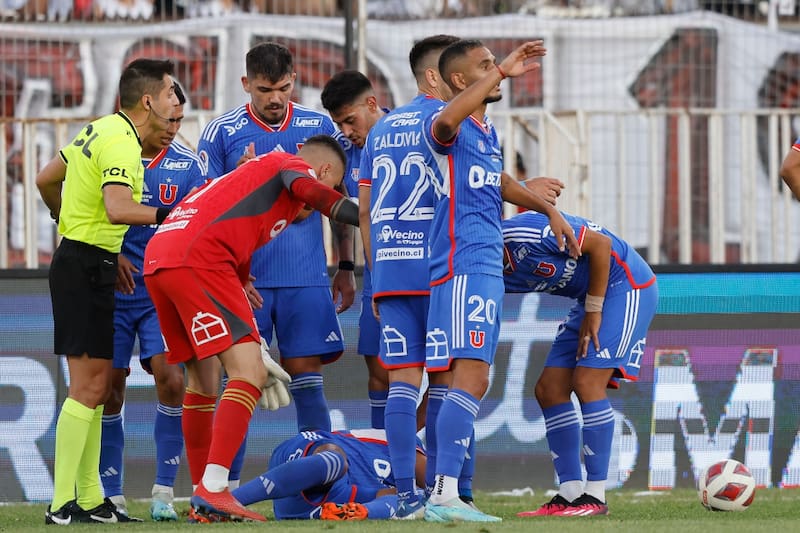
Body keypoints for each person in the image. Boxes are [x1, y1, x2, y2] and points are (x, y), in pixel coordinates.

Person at [142, 134, 359, 523]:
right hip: (199, 260)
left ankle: (201, 495)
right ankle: (215, 488)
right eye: (329, 183)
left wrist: (241, 280)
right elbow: (307, 186)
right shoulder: (290, 166)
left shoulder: (251, 178)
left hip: (162, 259)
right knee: (249, 373)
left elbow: (232, 233)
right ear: (324, 170)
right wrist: (361, 212)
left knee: (202, 380)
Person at [421, 39, 581, 523]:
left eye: (495, 63)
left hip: (473, 263)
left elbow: (498, 183)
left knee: (452, 379)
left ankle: (447, 493)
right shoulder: (449, 120)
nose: (496, 71)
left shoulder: (484, 130)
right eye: (484, 66)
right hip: (467, 262)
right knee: (472, 375)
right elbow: (443, 123)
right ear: (458, 81)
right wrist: (505, 73)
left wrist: (548, 208)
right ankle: (444, 495)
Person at [35, 58, 180, 525]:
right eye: (169, 95)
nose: (174, 104)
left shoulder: (97, 129)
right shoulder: (123, 145)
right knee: (87, 389)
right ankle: (61, 504)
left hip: (87, 260)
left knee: (95, 390)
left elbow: (45, 179)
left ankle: (92, 498)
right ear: (148, 101)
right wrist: (168, 216)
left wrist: (74, 227)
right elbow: (118, 208)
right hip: (84, 267)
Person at [197, 41, 355, 442]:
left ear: (294, 81)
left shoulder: (318, 127)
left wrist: (347, 265)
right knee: (242, 379)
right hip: (244, 282)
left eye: (283, 88)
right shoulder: (221, 132)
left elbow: (337, 201)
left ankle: (321, 480)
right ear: (246, 83)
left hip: (305, 276)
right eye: (265, 90)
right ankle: (223, 487)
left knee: (307, 376)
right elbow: (201, 207)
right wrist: (238, 180)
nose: (275, 98)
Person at [355, 34, 460, 519]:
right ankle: (447, 494)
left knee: (401, 383)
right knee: (445, 383)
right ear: (435, 76)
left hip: (392, 270)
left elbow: (366, 211)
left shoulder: (381, 130)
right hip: (439, 269)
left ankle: (404, 497)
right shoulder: (449, 123)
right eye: (459, 72)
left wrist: (374, 277)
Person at [503, 207, 658, 517]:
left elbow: (600, 245)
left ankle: (595, 496)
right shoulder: (485, 270)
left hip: (625, 285)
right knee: (549, 389)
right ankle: (570, 493)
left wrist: (594, 309)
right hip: (590, 298)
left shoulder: (526, 235)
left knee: (587, 382)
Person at [98, 82, 203, 522]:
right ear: (147, 111)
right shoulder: (111, 151)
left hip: (159, 290)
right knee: (108, 389)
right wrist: (113, 252)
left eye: (180, 121)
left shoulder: (187, 165)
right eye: (168, 119)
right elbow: (85, 211)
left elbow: (198, 225)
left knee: (171, 379)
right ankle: (109, 492)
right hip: (112, 287)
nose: (174, 128)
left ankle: (164, 490)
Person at [320, 70, 388, 430]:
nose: (346, 131)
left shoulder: (407, 134)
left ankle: (457, 483)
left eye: (350, 120)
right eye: (339, 123)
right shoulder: (343, 149)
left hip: (423, 270)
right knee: (377, 371)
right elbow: (338, 208)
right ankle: (387, 465)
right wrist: (345, 264)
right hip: (377, 273)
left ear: (372, 104)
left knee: (441, 374)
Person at [227, 428, 426, 521]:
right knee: (337, 460)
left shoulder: (419, 492)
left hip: (334, 500)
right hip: (308, 462)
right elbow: (429, 476)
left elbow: (385, 495)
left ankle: (358, 513)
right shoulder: (406, 441)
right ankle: (229, 501)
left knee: (402, 500)